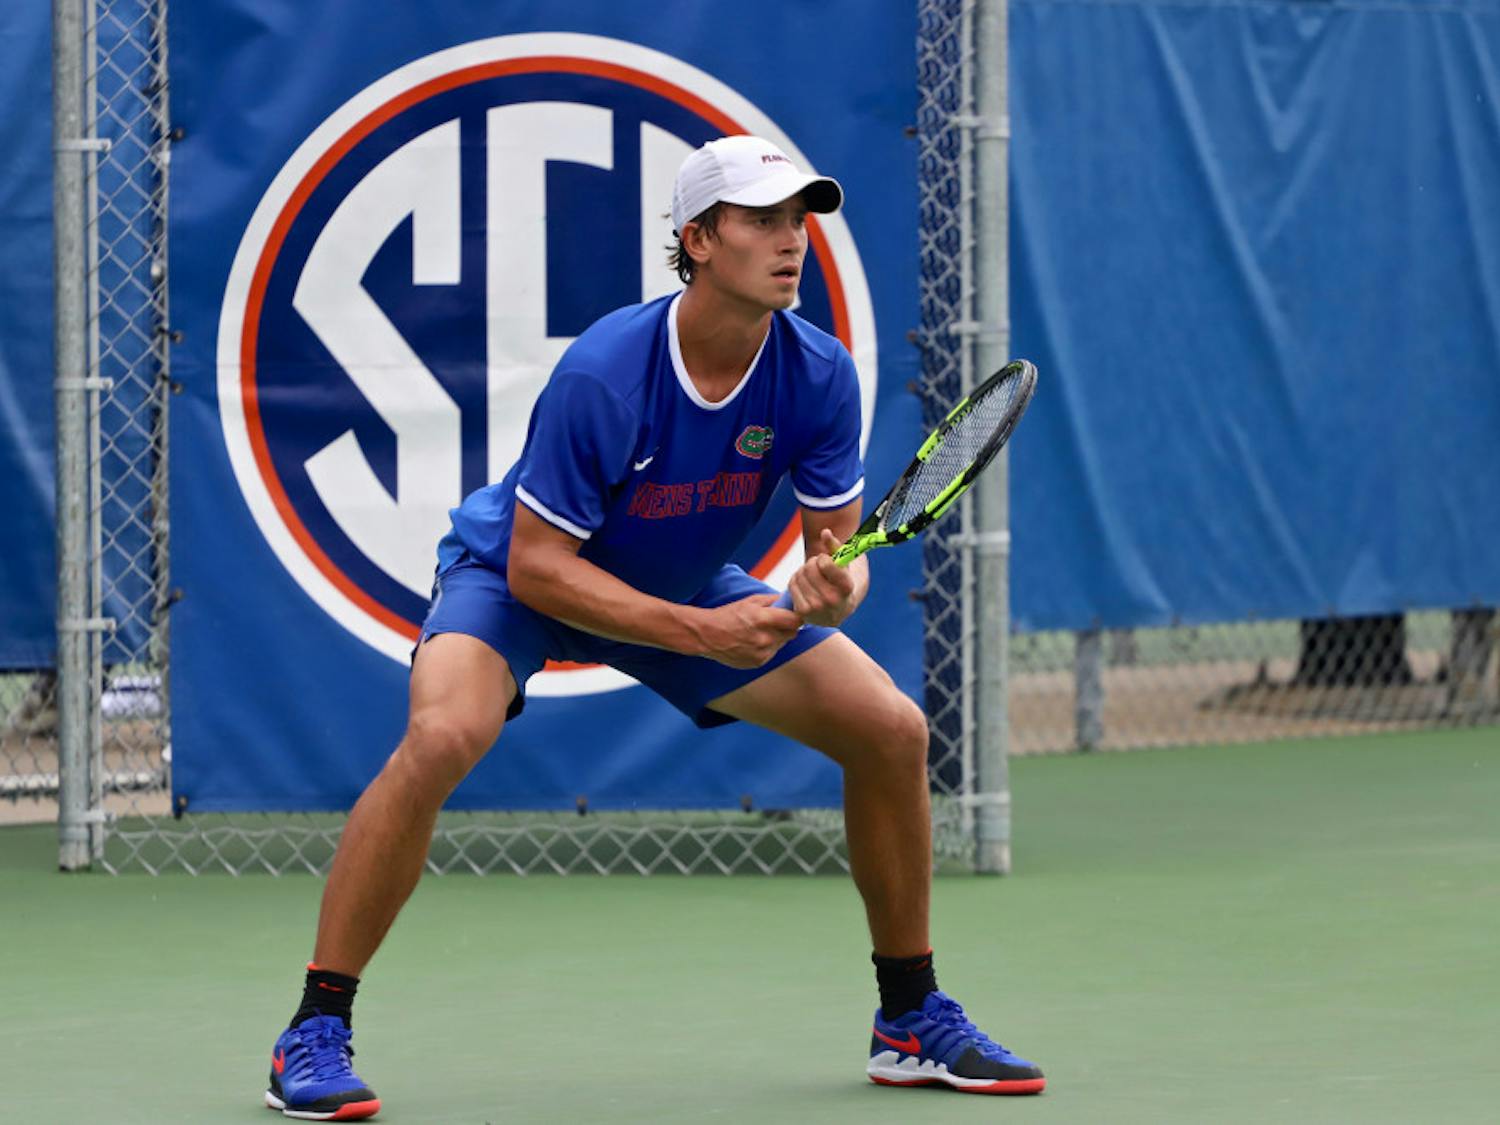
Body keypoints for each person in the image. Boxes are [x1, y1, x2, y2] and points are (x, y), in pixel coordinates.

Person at [263, 134, 1045, 1120]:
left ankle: (908, 1017)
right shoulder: (607, 372)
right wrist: (699, 632)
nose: (790, 240)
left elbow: (832, 556)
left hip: (679, 585)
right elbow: (540, 568)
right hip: (514, 580)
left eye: (798, 218)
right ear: (699, 239)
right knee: (441, 736)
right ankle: (314, 1027)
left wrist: (825, 591)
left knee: (889, 731)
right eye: (761, 219)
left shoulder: (819, 375)